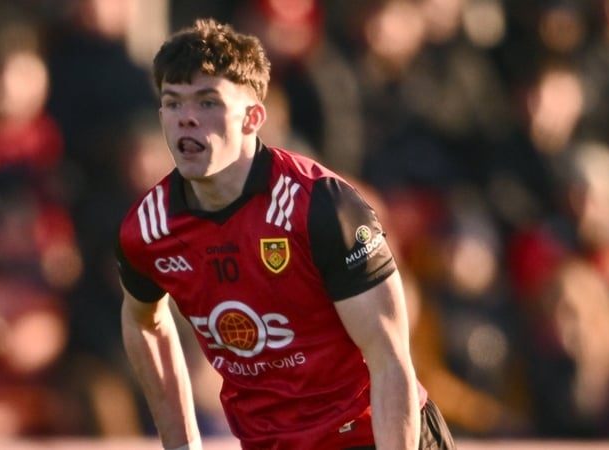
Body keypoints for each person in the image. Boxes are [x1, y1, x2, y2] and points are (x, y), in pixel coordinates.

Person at [116, 18, 456, 450]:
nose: (187, 120)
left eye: (207, 103)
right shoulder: (148, 229)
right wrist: (182, 444)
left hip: (375, 435)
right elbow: (142, 319)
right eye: (174, 103)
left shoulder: (322, 206)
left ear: (252, 118)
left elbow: (390, 362)